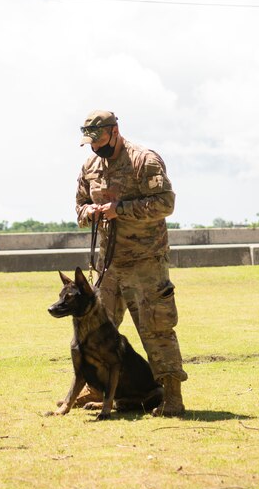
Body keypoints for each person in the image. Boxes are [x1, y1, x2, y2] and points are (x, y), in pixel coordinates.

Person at [74, 109, 187, 417]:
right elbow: (80, 206)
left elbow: (166, 203)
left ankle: (172, 397)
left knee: (157, 329)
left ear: (115, 131)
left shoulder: (144, 160)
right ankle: (95, 388)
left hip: (146, 263)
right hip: (107, 266)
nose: (96, 148)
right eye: (90, 144)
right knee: (94, 330)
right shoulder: (90, 166)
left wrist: (120, 209)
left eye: (99, 141)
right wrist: (91, 213)